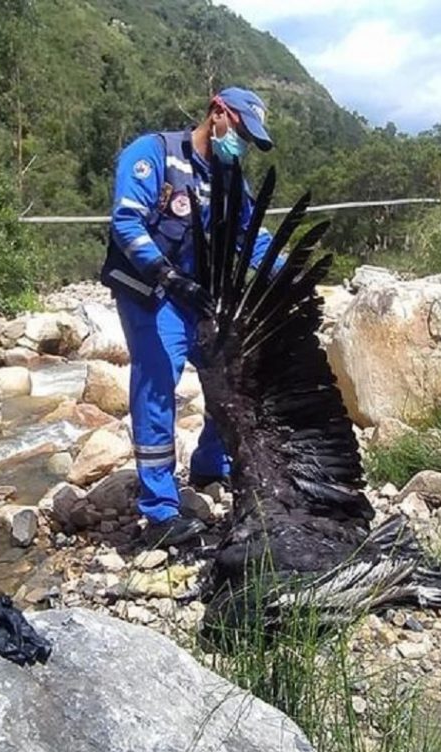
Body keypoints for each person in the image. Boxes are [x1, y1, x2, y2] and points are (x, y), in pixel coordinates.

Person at [100, 86, 277, 547]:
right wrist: (167, 276)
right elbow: (125, 222)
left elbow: (250, 234)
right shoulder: (154, 154)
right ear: (217, 112)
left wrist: (287, 270)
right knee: (158, 380)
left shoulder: (228, 175)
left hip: (199, 295)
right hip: (151, 293)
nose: (239, 144)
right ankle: (160, 511)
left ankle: (210, 464)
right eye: (239, 130)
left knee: (231, 373)